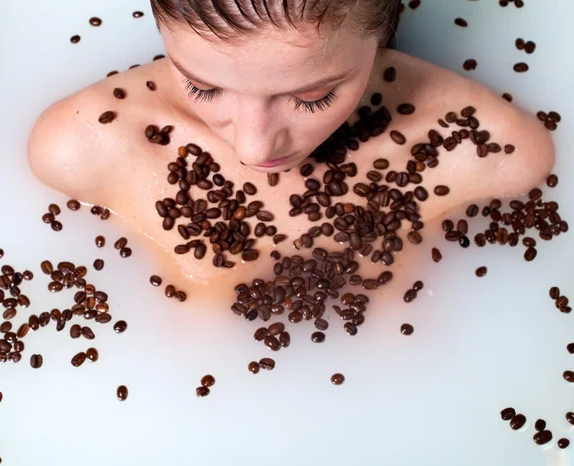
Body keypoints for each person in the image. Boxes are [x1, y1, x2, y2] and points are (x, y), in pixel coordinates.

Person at [28, 0, 554, 301]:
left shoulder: (489, 152)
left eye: (313, 96)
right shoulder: (84, 147)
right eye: (201, 86)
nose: (254, 146)